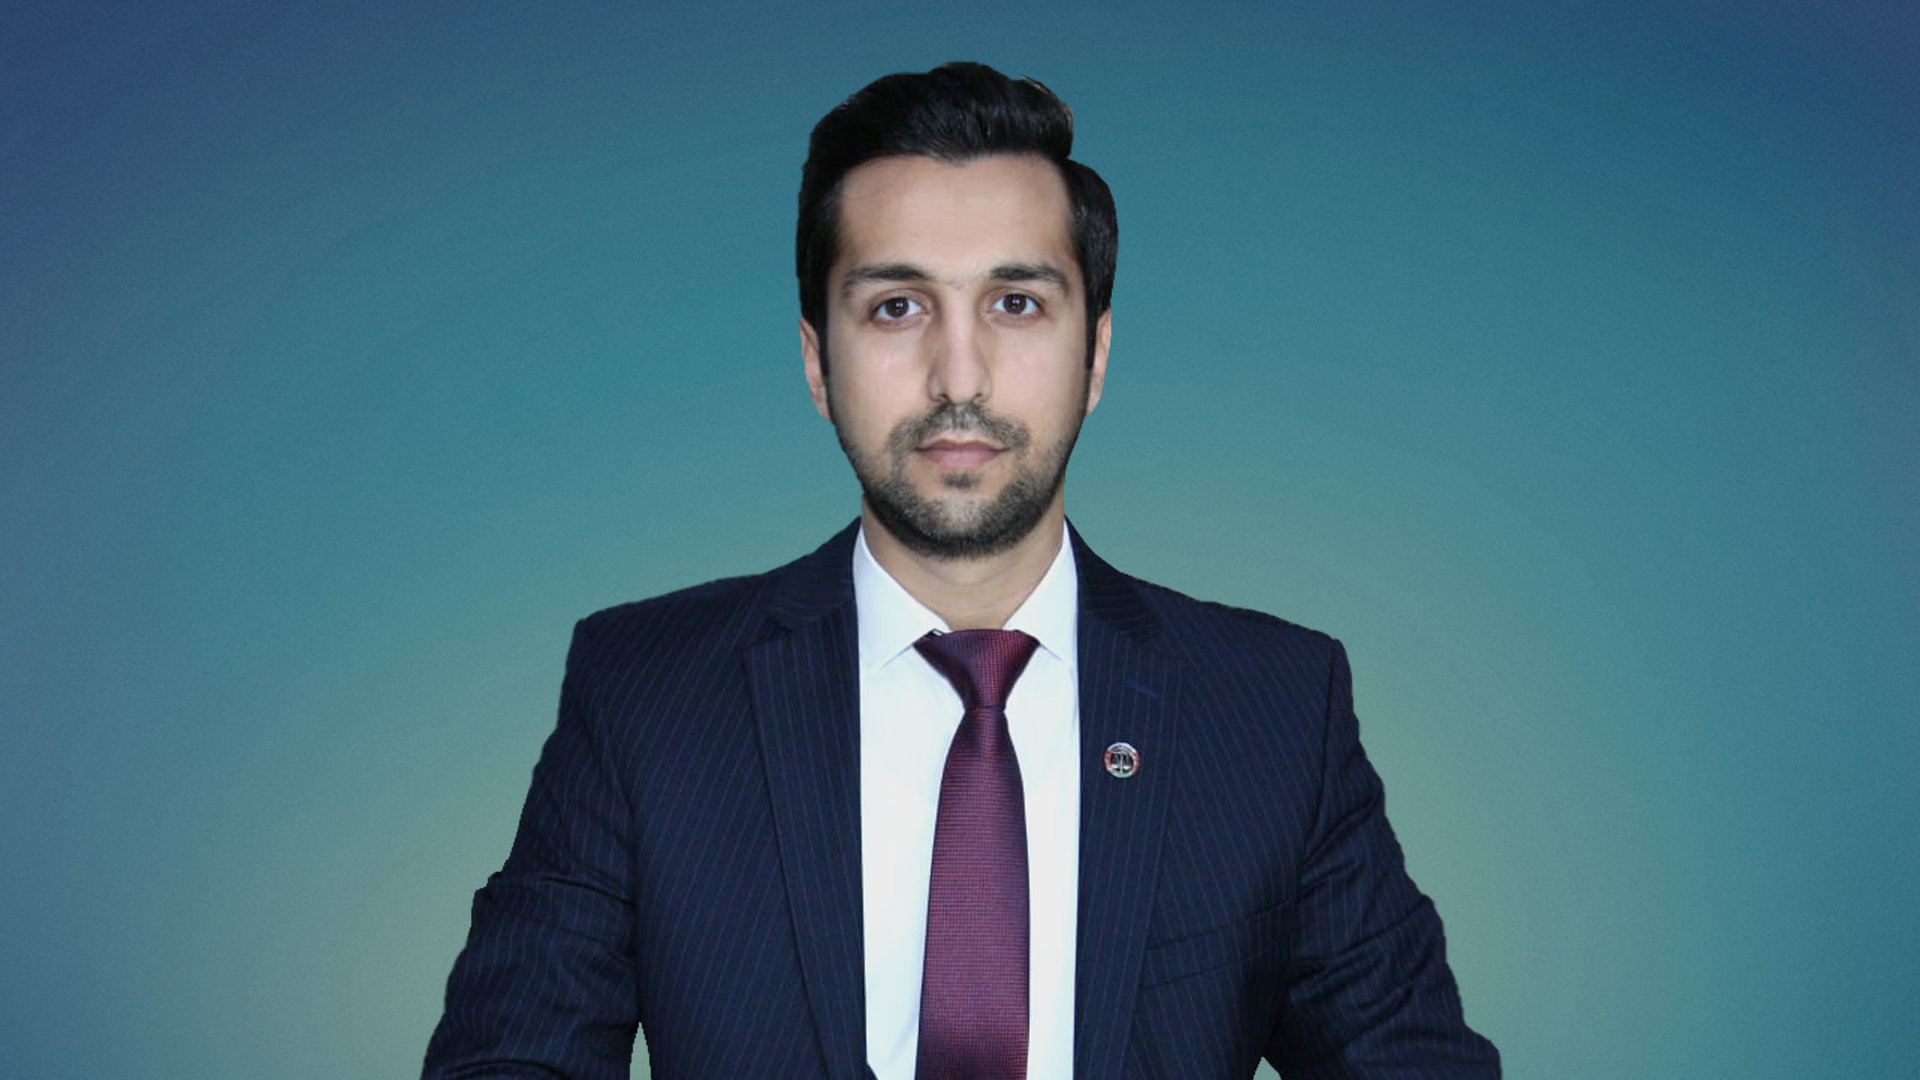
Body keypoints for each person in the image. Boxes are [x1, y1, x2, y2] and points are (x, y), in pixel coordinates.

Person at [423, 62, 1500, 1080]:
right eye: (897, 306)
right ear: (817, 362)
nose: (959, 375)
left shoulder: (1270, 710)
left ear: (1096, 356)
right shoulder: (646, 693)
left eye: (1015, 302)